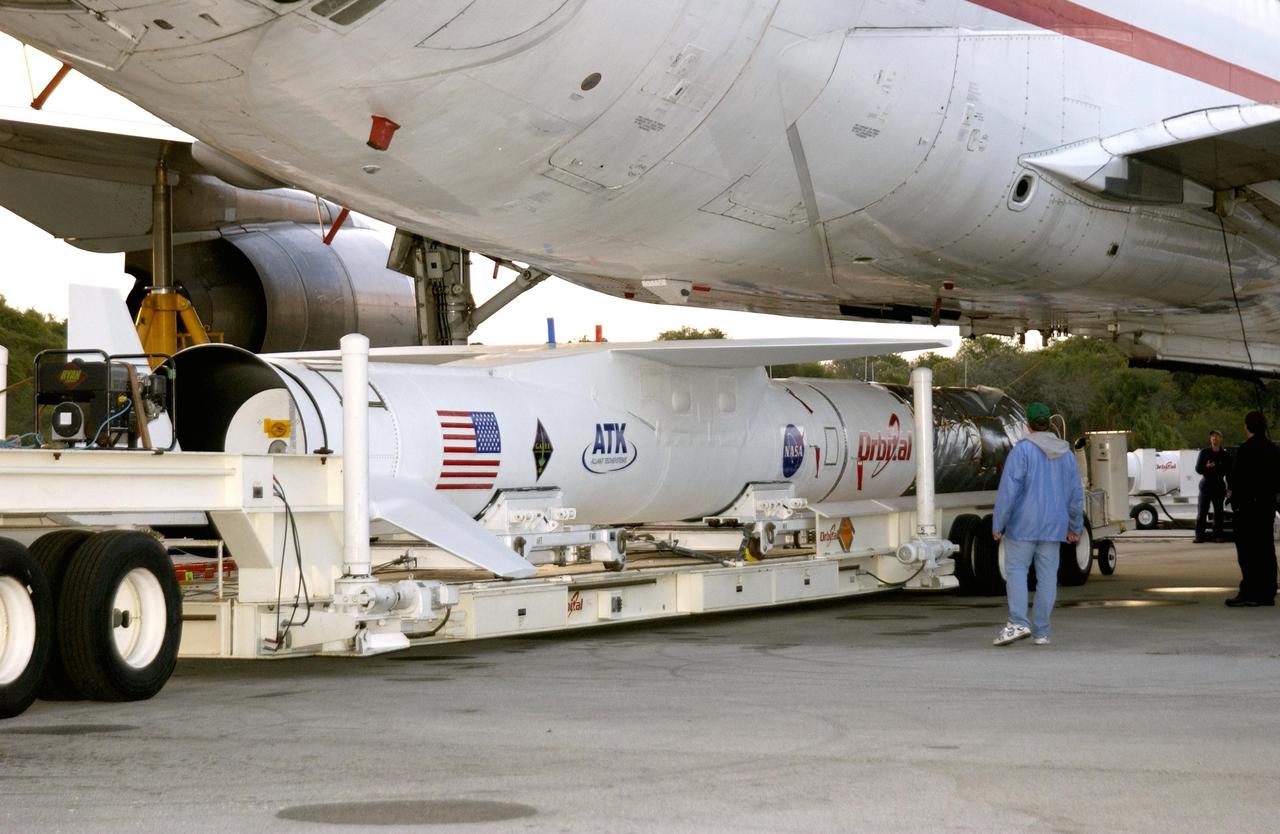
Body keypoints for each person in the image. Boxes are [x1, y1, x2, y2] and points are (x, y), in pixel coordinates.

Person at [990, 402, 1084, 646]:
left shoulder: (1022, 451)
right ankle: (1041, 632)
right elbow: (1075, 495)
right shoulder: (1067, 454)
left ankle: (1018, 622)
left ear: (1027, 426)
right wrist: (1075, 526)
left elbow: (1009, 491)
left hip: (1023, 524)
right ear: (1050, 424)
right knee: (1047, 577)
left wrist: (998, 523)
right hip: (1054, 526)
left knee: (1017, 571)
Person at [1224, 411, 1280, 607]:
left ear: (1247, 426)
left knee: (1248, 551)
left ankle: (1250, 590)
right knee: (1265, 548)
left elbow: (1238, 477)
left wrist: (1233, 496)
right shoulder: (1272, 449)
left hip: (1248, 508)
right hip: (1266, 506)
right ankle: (1267, 591)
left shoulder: (1246, 450)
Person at [1193, 430, 1232, 543]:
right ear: (1210, 439)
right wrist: (1207, 467)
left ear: (1221, 439)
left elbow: (1229, 473)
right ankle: (1199, 536)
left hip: (1219, 485)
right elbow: (1198, 469)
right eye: (1212, 437)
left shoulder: (1225, 455)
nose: (1214, 438)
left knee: (1218, 512)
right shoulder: (1204, 452)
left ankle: (1218, 535)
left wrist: (1230, 488)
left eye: (1217, 436)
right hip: (1206, 485)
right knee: (1202, 512)